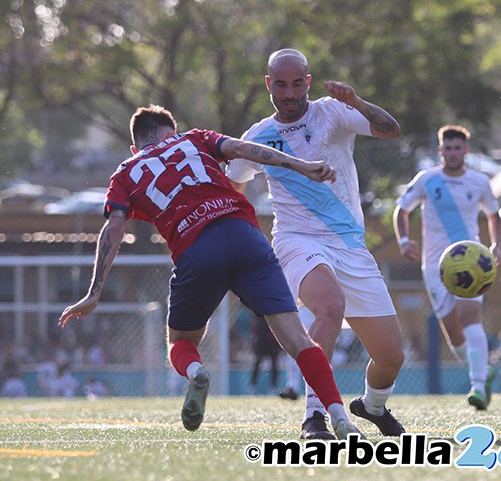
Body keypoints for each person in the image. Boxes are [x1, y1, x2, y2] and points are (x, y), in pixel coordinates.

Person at [58, 104, 363, 439]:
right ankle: (338, 416)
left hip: (197, 248)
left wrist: (95, 290)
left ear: (135, 147)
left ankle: (196, 371)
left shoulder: (126, 171)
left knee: (181, 340)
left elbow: (114, 226)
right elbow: (244, 149)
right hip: (245, 235)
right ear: (171, 133)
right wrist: (301, 165)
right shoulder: (194, 139)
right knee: (297, 340)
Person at [227, 48, 406, 438]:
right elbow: (233, 187)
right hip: (297, 241)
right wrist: (240, 239)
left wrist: (355, 100)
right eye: (281, 84)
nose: (289, 93)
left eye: (296, 84)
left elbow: (391, 129)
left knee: (391, 356)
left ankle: (372, 406)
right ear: (268, 84)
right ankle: (314, 415)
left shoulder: (332, 112)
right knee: (328, 307)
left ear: (307, 82)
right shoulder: (258, 137)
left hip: (350, 247)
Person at [393, 125, 501, 410]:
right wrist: (404, 240)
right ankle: (483, 371)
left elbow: (494, 215)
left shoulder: (479, 182)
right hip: (436, 266)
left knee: (471, 319)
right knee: (453, 334)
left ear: (465, 150)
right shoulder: (427, 180)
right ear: (440, 150)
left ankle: (478, 385)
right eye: (448, 148)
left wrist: (496, 245)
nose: (453, 153)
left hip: (473, 263)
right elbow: (402, 211)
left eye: (458, 148)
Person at [249, 315, 282, 395]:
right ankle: (252, 387)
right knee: (257, 362)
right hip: (262, 338)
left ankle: (273, 387)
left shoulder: (274, 312)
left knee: (274, 363)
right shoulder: (259, 314)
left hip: (272, 339)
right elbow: (254, 326)